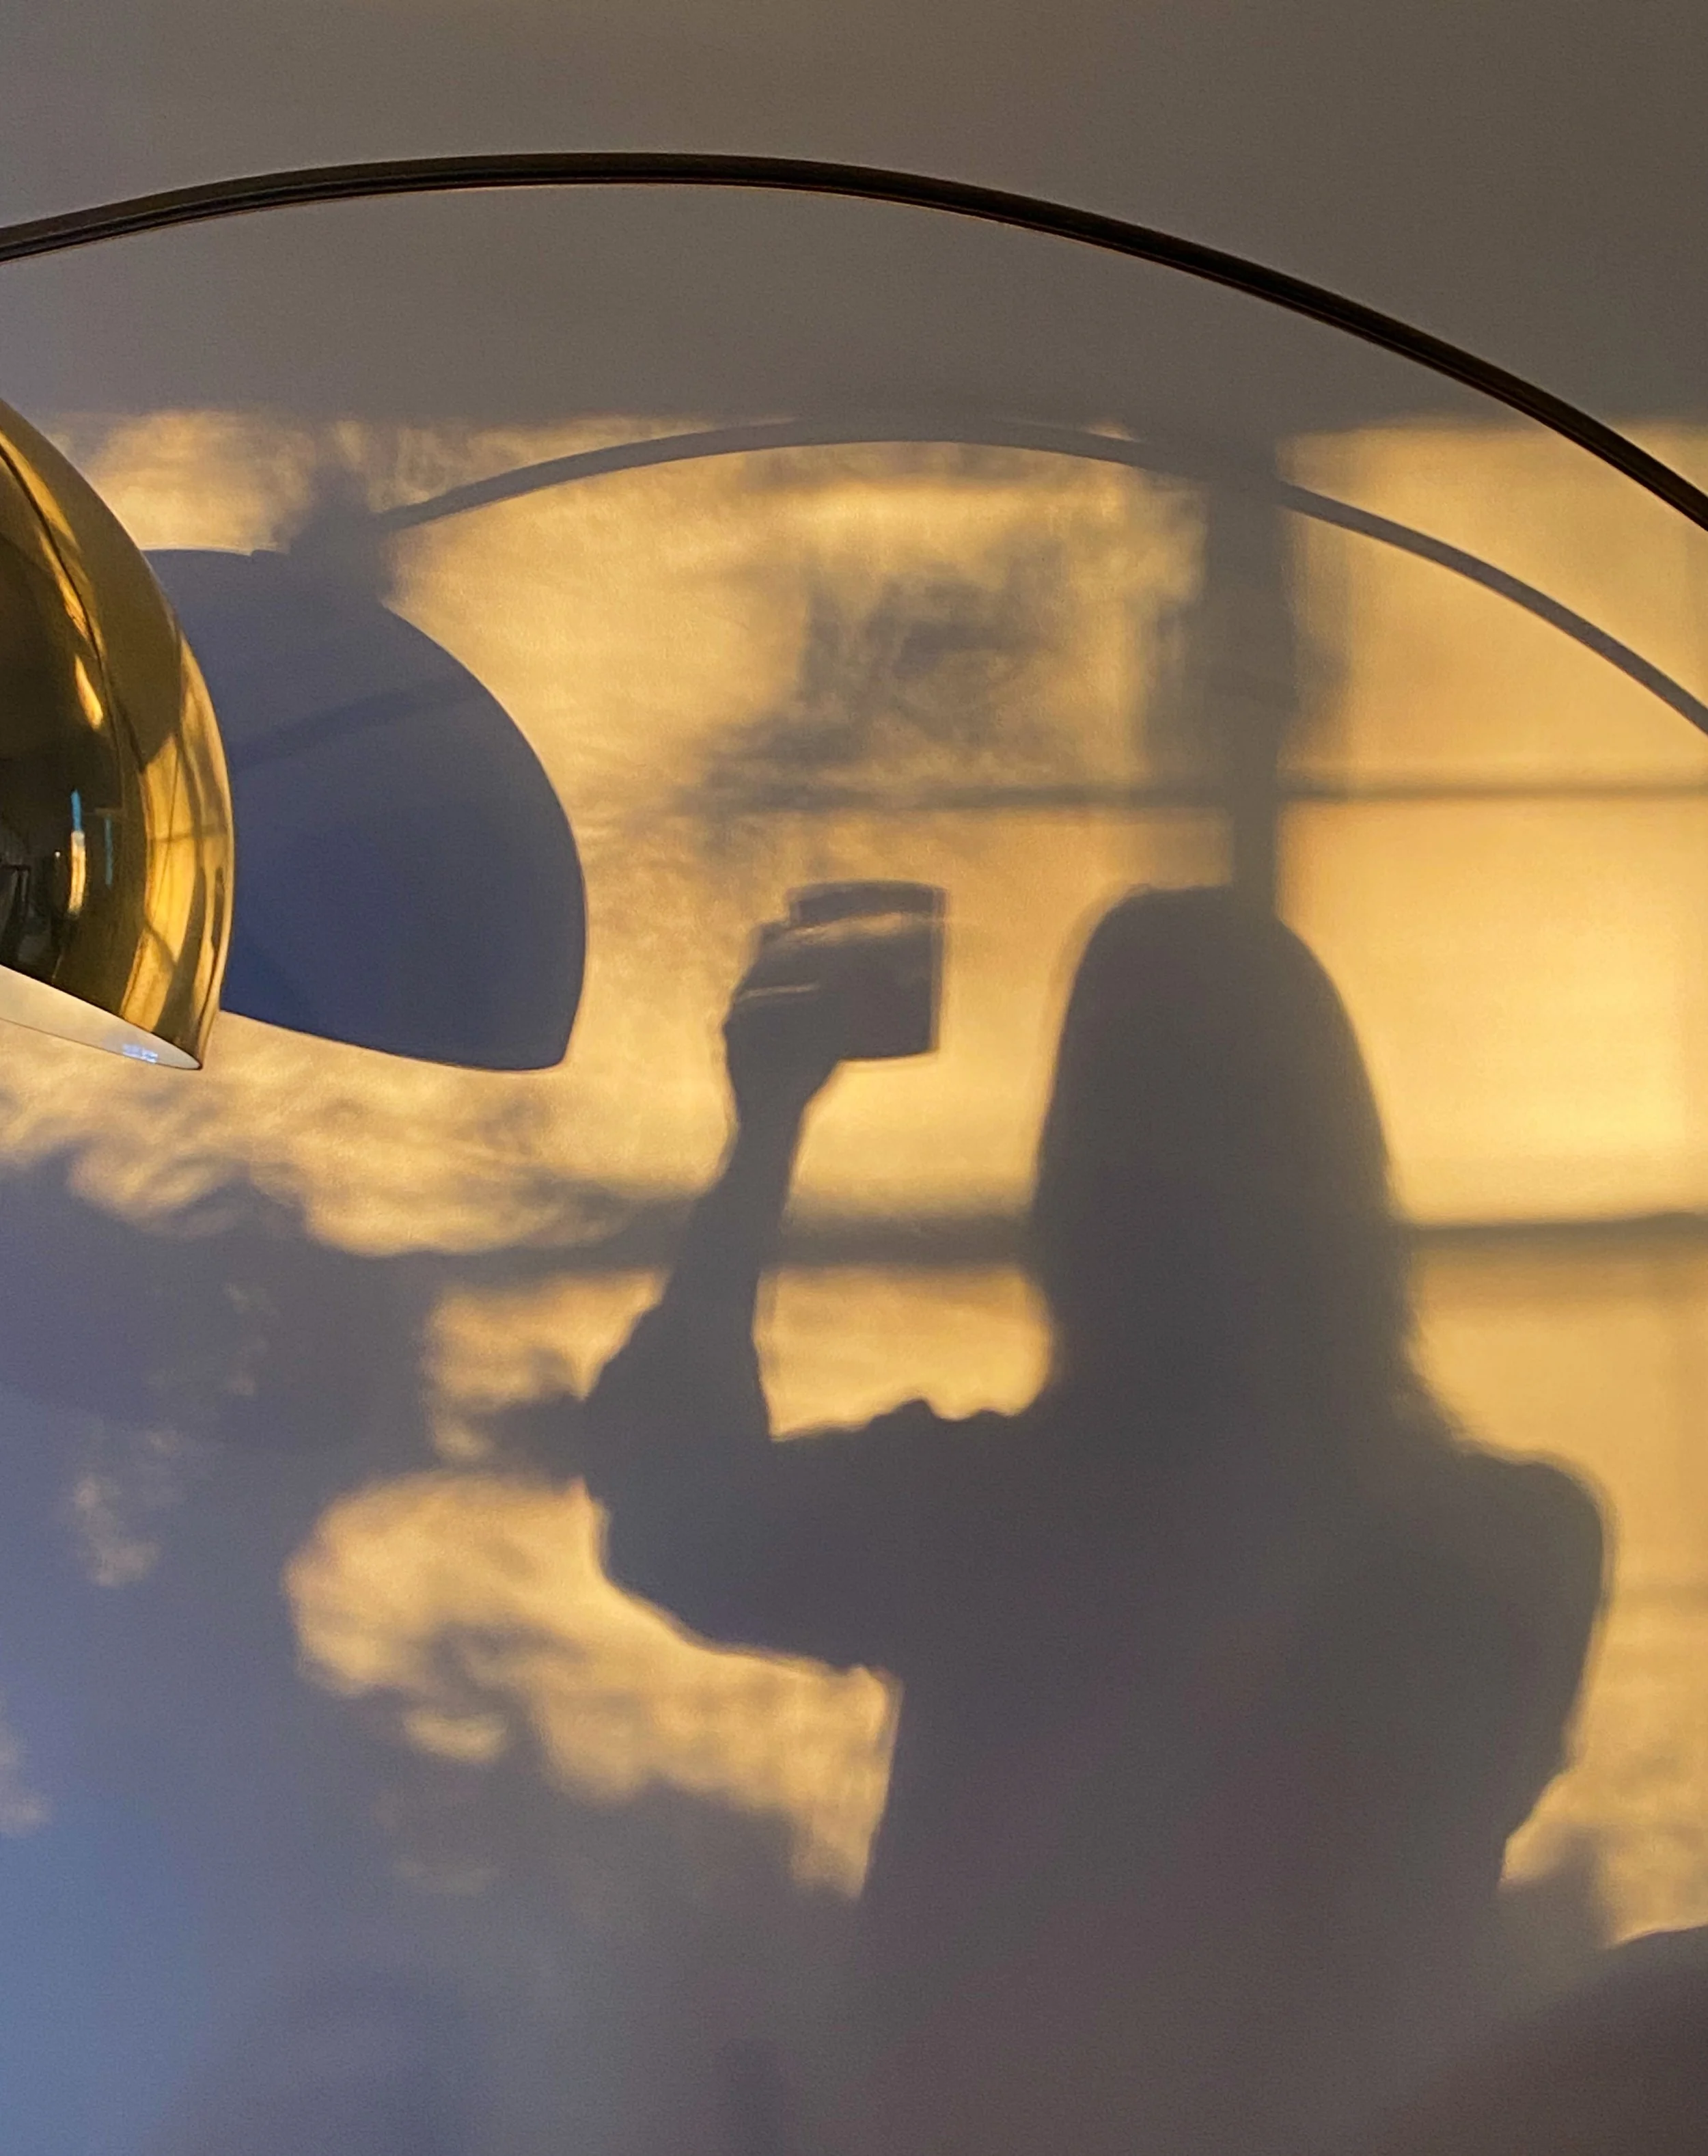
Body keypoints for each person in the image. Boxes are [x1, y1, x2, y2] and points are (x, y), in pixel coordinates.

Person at [580, 884, 1606, 2156]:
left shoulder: (990, 1522)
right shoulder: (1515, 1555)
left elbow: (674, 1516)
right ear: (1347, 1173)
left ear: (1076, 1196)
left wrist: (767, 1133)